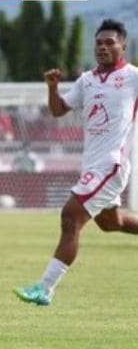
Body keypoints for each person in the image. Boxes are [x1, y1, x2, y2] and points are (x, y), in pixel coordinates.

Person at [15, 19, 138, 306]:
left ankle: (45, 289)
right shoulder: (87, 80)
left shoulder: (133, 77)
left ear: (123, 46)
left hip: (111, 165)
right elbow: (58, 110)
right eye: (99, 43)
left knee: (70, 217)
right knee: (111, 222)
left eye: (110, 43)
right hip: (92, 165)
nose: (103, 48)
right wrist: (52, 88)